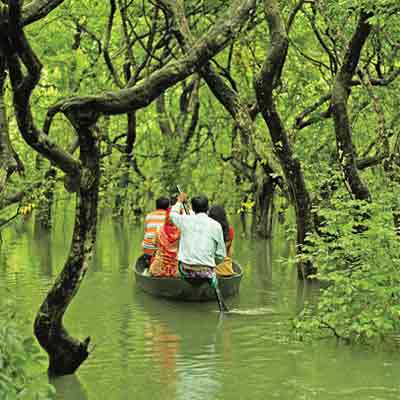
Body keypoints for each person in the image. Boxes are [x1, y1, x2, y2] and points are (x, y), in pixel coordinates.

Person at [170, 193, 226, 283]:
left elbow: (172, 214)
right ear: (208, 208)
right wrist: (210, 262)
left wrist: (179, 201)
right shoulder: (216, 226)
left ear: (193, 208)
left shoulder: (185, 220)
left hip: (185, 270)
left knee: (177, 265)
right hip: (206, 271)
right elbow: (221, 255)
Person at [149, 208, 180, 277]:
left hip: (157, 269)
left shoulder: (159, 228)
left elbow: (154, 243)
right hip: (176, 271)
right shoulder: (181, 231)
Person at [208, 205, 235, 276]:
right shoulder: (230, 231)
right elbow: (229, 252)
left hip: (209, 265)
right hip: (222, 265)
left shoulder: (207, 230)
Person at [142, 197, 170, 265]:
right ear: (168, 207)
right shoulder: (169, 217)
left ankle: (149, 261)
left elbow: (146, 231)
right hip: (161, 251)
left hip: (147, 248)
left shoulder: (149, 216)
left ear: (156, 206)